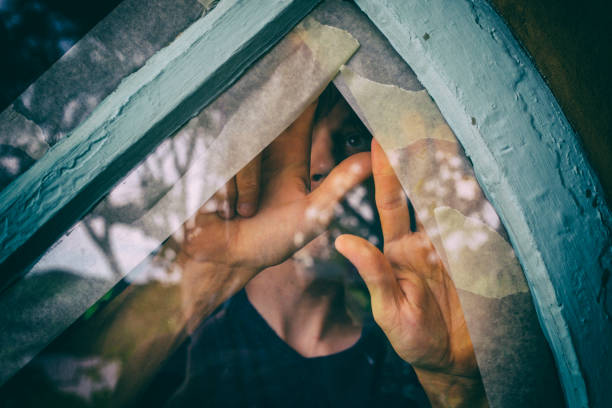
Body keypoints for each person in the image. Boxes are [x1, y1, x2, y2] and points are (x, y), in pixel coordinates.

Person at [136, 84, 488, 407]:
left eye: (352, 138)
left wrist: (456, 391)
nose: (322, 163)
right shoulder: (176, 347)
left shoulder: (412, 352)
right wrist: (198, 274)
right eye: (296, 141)